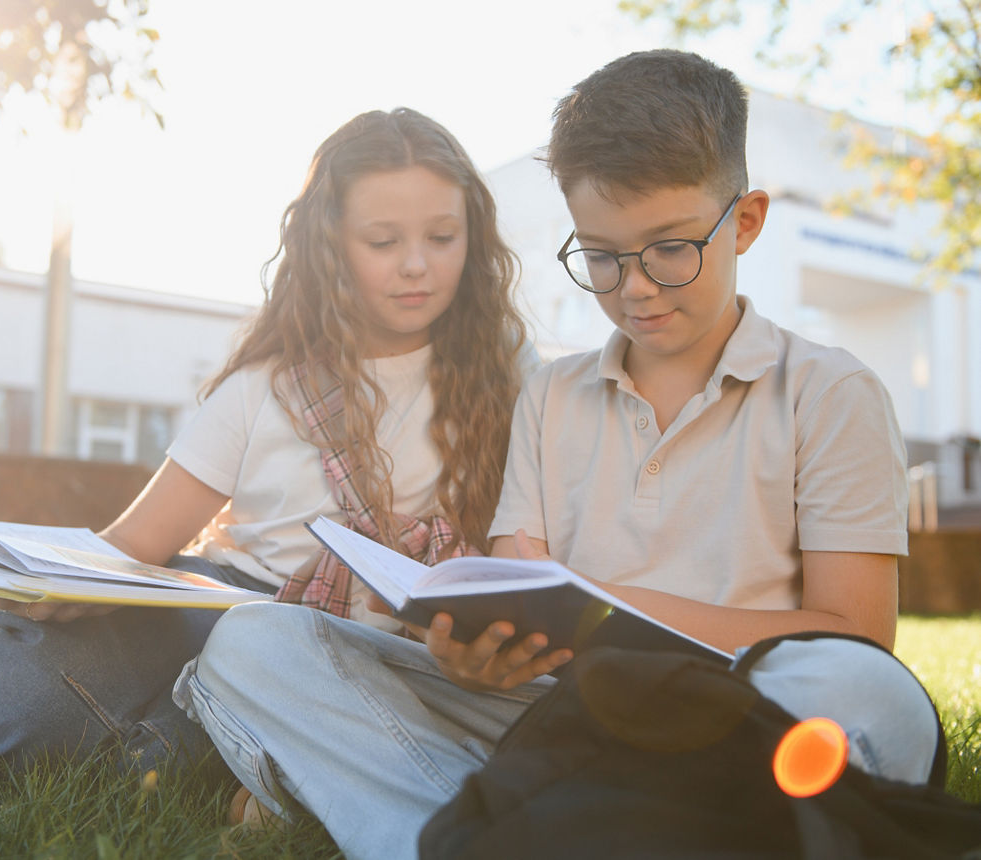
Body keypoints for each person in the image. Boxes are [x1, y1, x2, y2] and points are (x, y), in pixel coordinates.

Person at [173, 50, 931, 860]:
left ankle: (480, 820)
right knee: (256, 644)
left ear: (744, 222)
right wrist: (474, 658)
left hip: (737, 719)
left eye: (670, 249)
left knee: (865, 699)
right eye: (601, 256)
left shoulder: (831, 393)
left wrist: (617, 605)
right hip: (551, 716)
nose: (635, 288)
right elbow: (514, 589)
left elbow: (856, 639)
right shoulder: (551, 396)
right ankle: (485, 832)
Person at [0, 107, 535, 775]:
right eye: (383, 242)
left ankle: (167, 744)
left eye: (443, 237)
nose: (417, 265)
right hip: (233, 600)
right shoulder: (268, 382)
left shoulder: (509, 370)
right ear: (331, 246)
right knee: (23, 696)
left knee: (184, 747)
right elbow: (136, 542)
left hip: (392, 643)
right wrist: (57, 584)